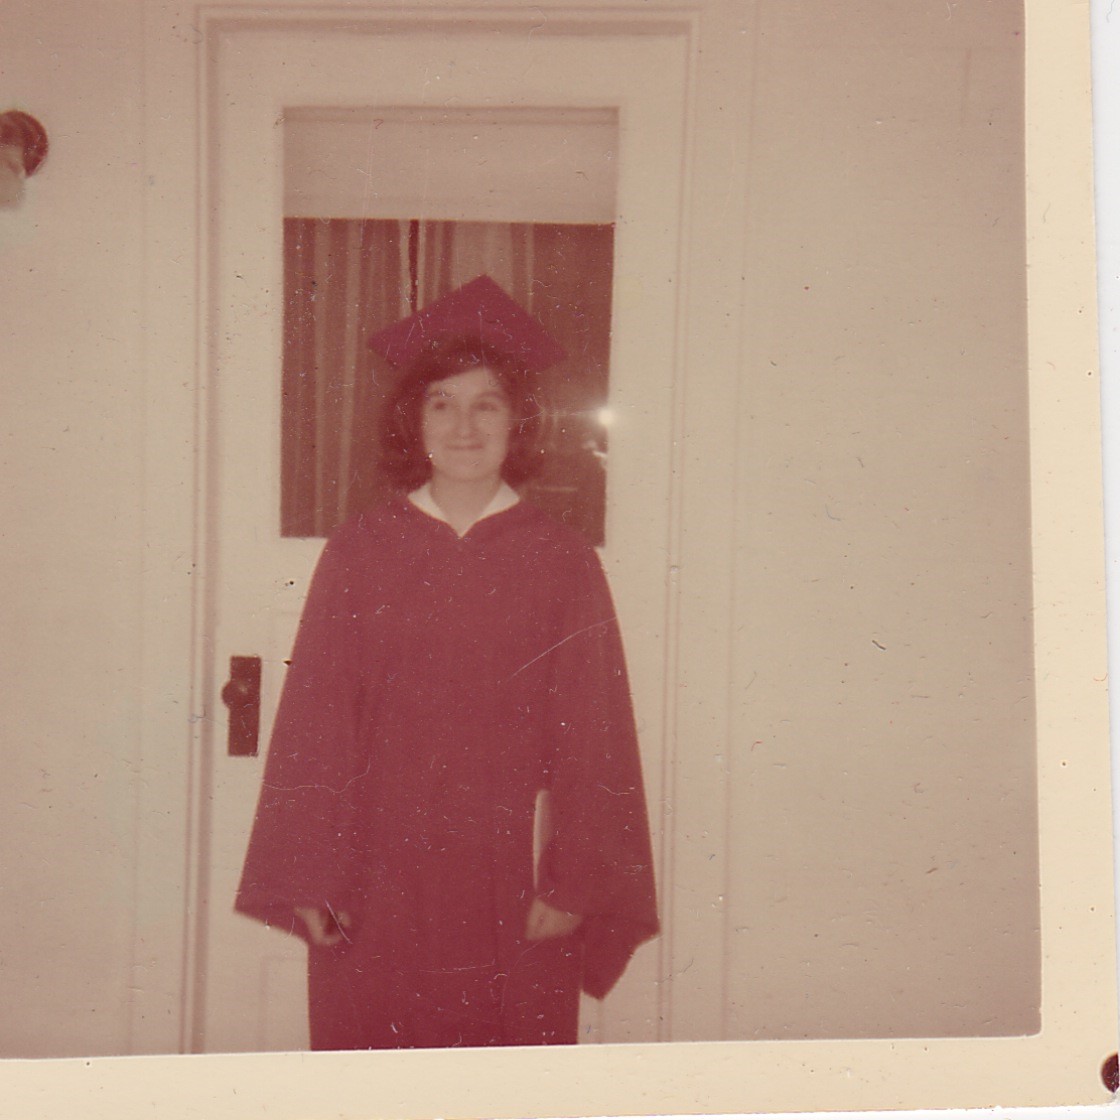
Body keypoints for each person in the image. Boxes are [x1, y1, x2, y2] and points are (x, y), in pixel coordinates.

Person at [235, 275, 658, 1050]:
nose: (464, 425)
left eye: (487, 404)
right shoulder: (361, 551)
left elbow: (596, 734)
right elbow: (316, 724)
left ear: (518, 421)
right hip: (375, 873)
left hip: (515, 873)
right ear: (413, 419)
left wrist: (577, 882)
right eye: (442, 403)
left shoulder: (560, 560)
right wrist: (313, 878)